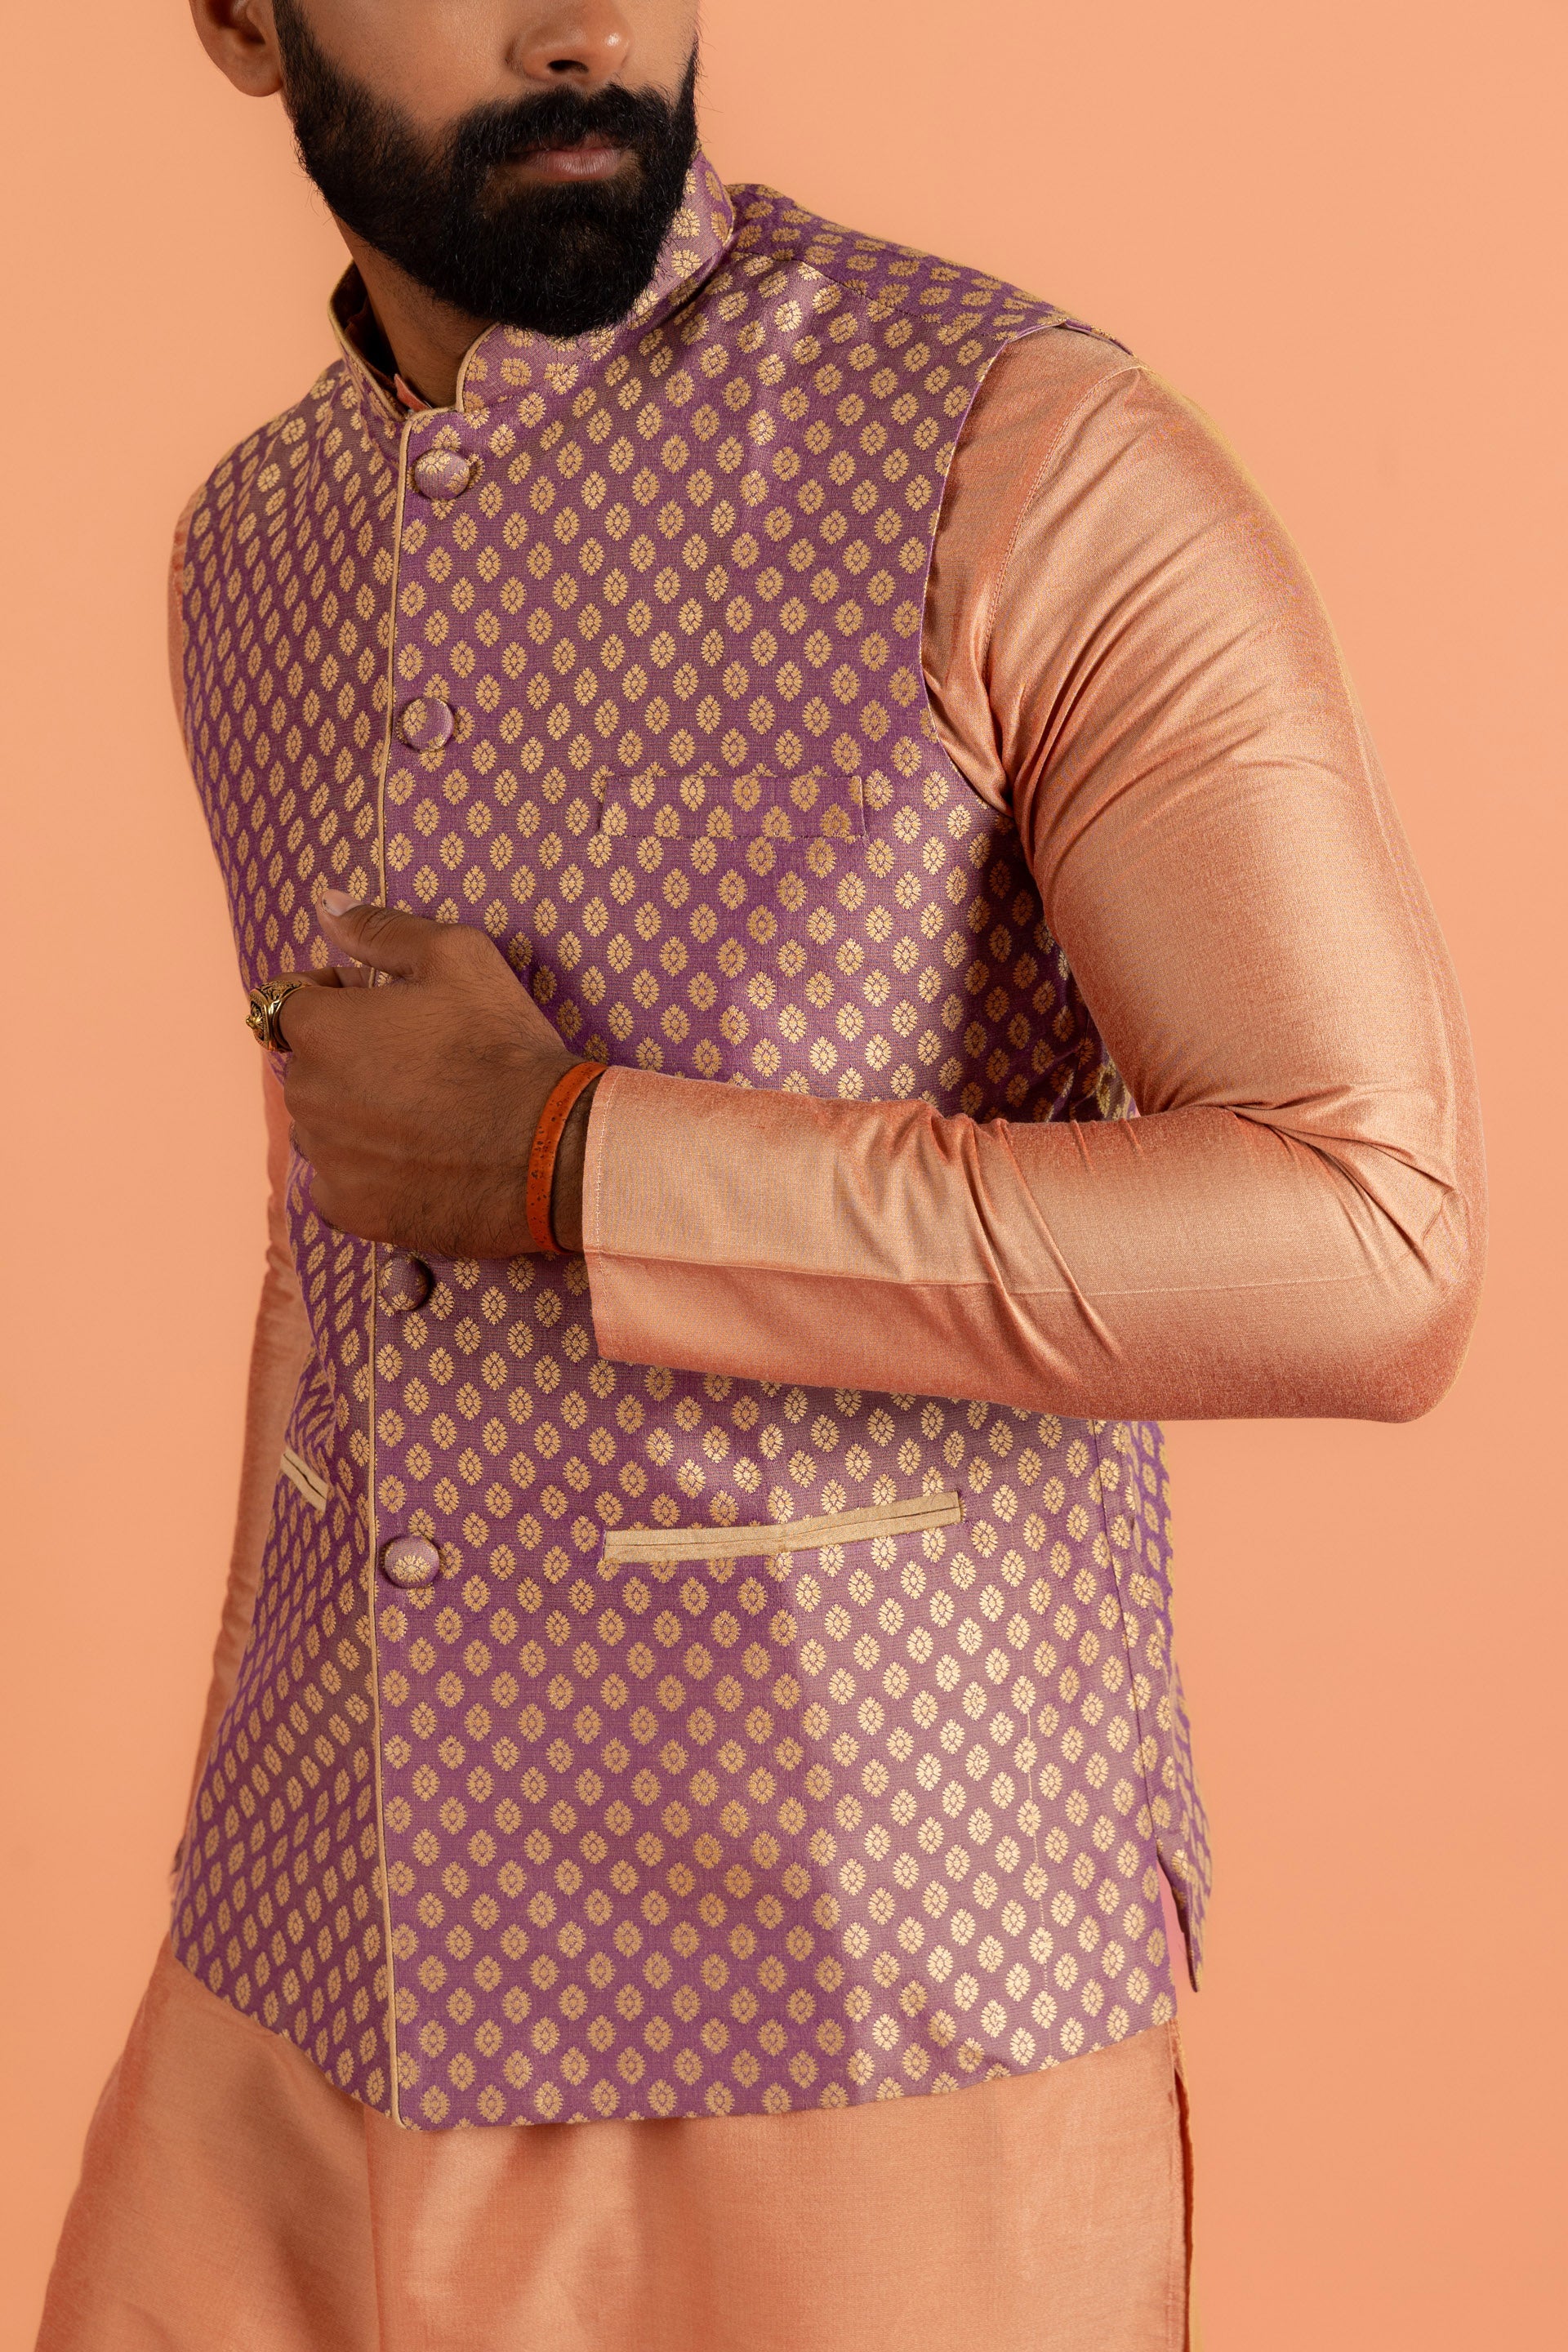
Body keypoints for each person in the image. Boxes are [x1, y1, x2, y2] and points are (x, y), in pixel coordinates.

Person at [36, 1, 1485, 2345]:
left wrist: (580, 1162)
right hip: (302, 1995)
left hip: (873, 2040)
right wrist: (231, 1855)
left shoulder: (1019, 457)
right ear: (232, 16)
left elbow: (1372, 1238)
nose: (586, 21)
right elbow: (332, 1254)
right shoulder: (253, 553)